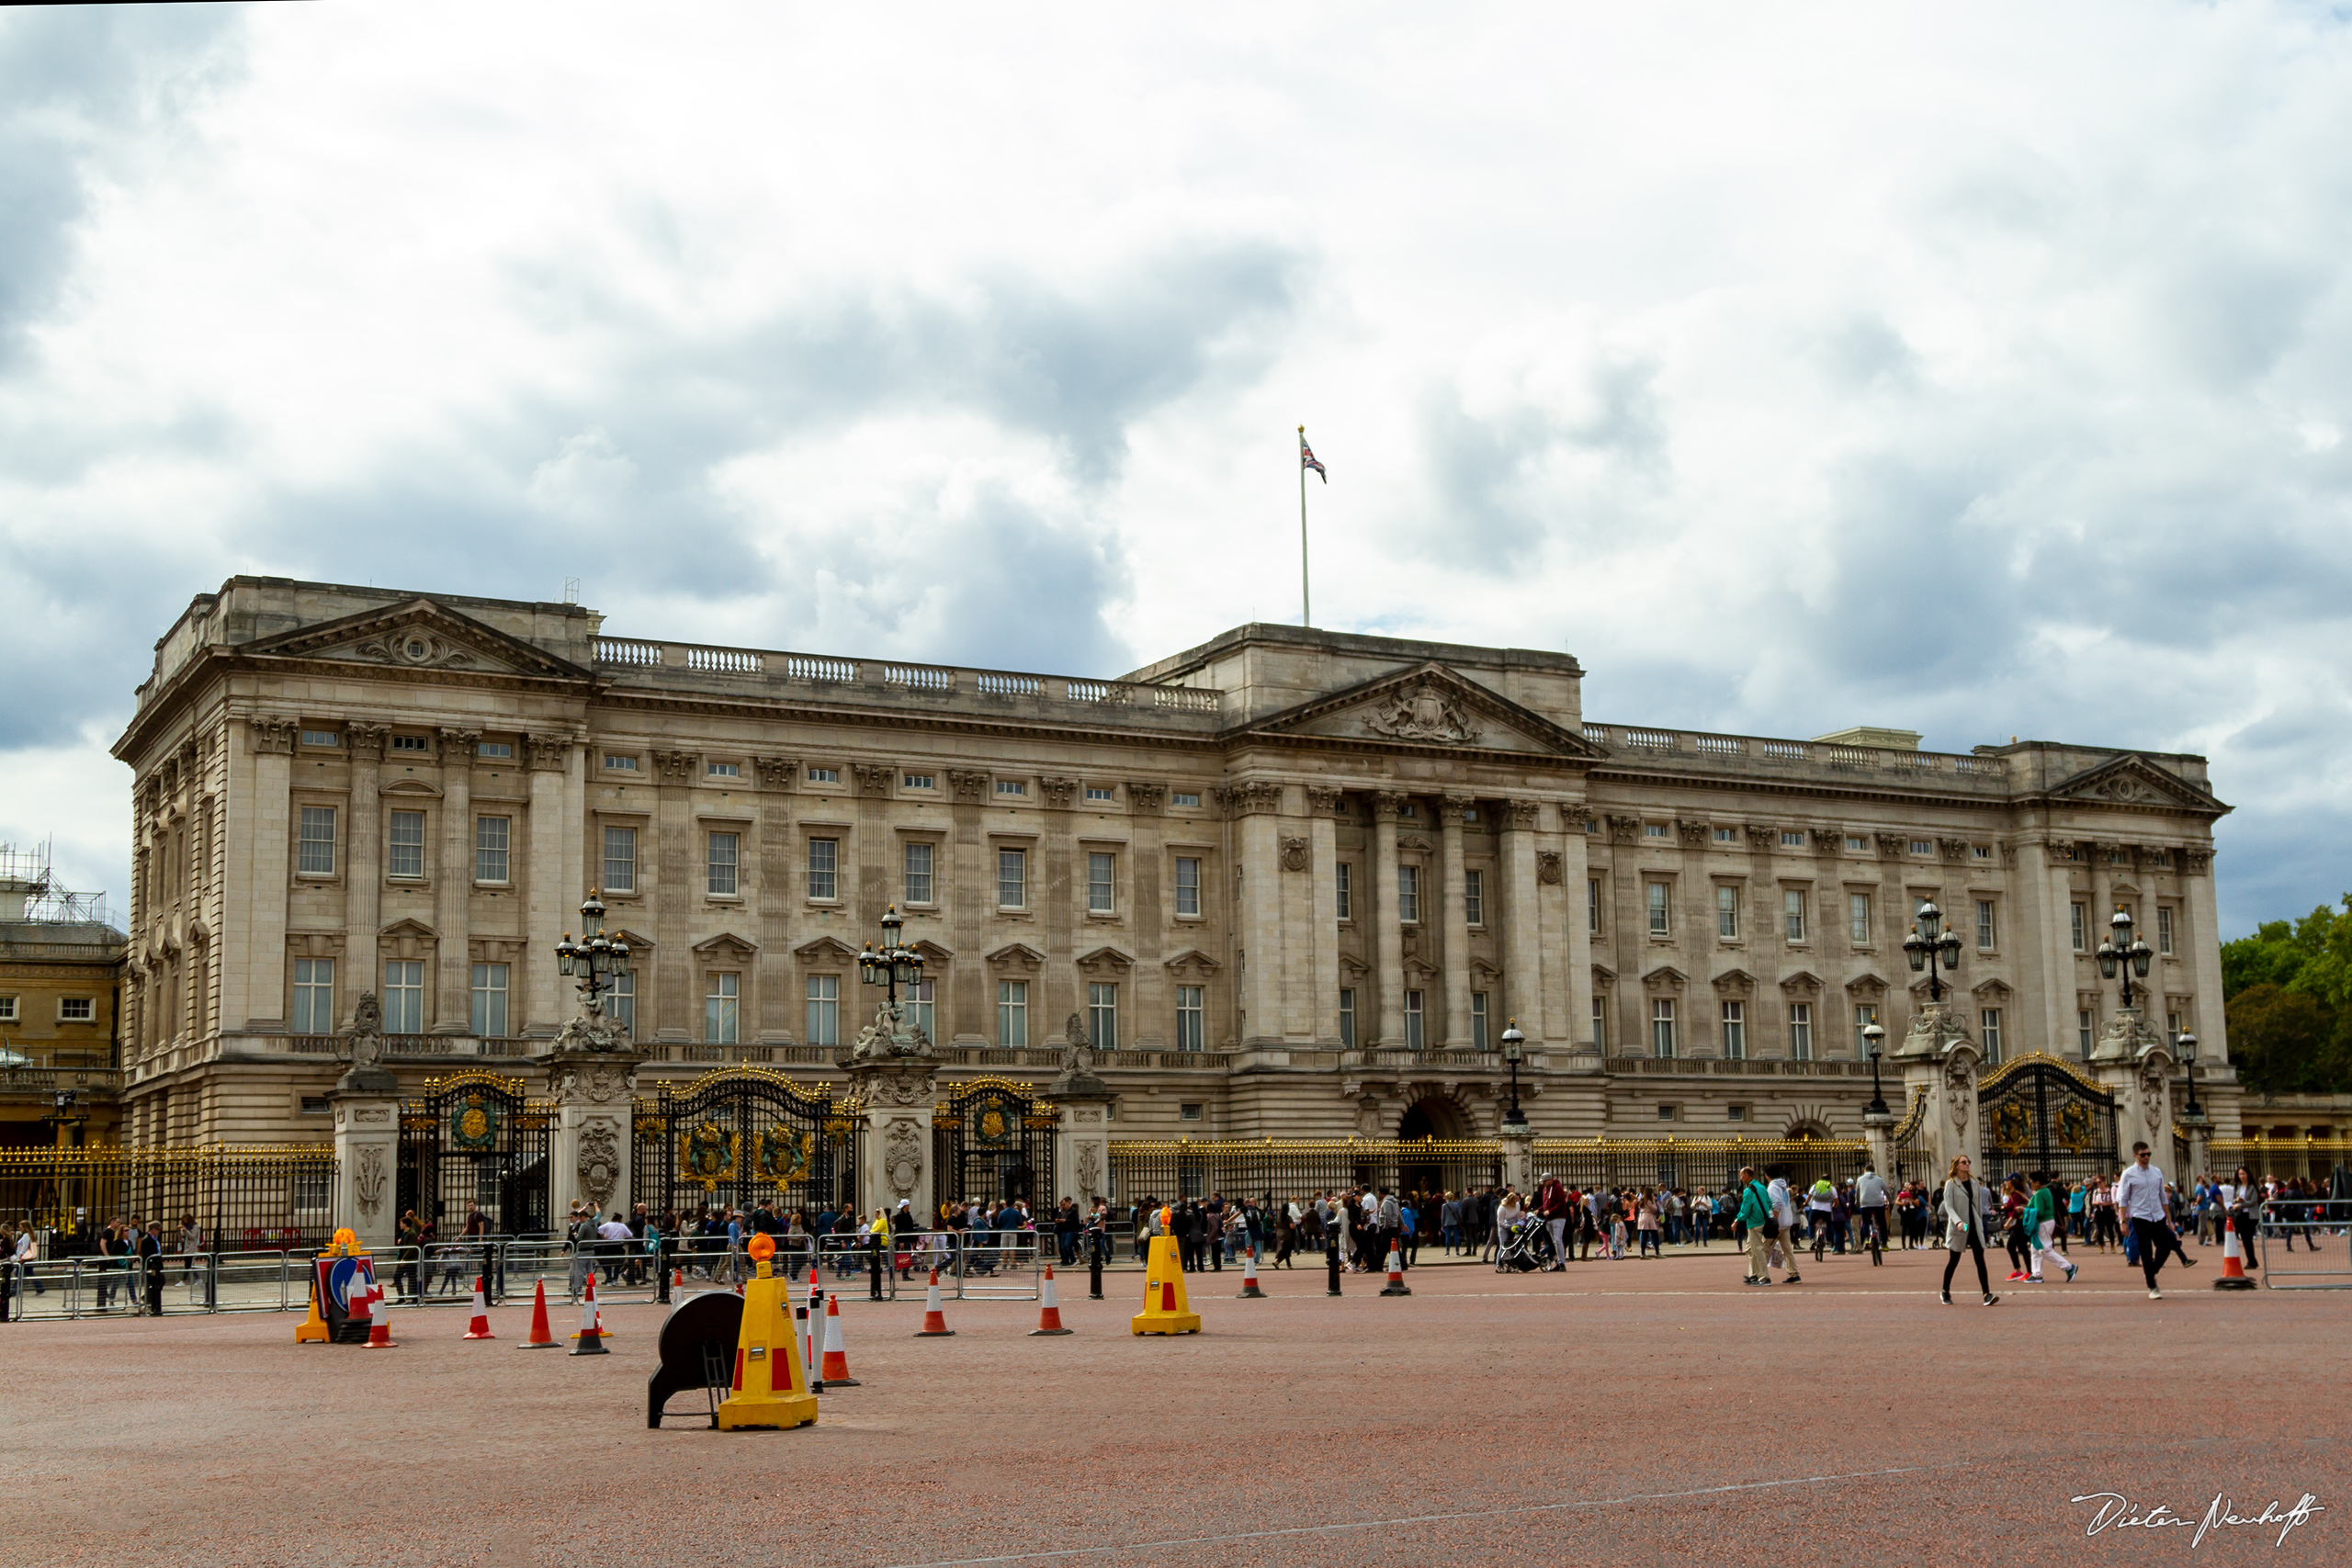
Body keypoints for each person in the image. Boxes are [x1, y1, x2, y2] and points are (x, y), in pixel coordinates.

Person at [2117, 1142, 2193, 1299]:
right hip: (2140, 1216)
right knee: (2146, 1251)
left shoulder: (2157, 1172)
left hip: (2158, 1215)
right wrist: (2122, 1221)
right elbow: (2123, 1199)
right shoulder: (2128, 1174)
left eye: (2148, 1154)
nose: (2146, 1157)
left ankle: (2152, 1272)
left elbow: (2162, 1197)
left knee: (2165, 1246)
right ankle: (2153, 1287)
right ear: (2135, 1156)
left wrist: (2169, 1219)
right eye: (2143, 1154)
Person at [1939, 1155, 1998, 1306]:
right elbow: (1949, 1206)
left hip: (1973, 1225)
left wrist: (1979, 1221)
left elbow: (1977, 1205)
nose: (1967, 1165)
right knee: (1954, 1260)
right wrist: (1958, 1221)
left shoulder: (1974, 1182)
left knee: (1980, 1259)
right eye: (1964, 1162)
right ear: (1957, 1166)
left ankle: (1987, 1294)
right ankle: (1945, 1291)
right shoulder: (1951, 1184)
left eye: (1968, 1162)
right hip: (1961, 1225)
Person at [2024, 1172, 2077, 1283]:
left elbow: (2039, 1212)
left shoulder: (2039, 1194)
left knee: (2044, 1249)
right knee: (2035, 1249)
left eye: (2032, 1182)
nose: (2030, 1184)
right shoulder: (2046, 1191)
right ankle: (2037, 1274)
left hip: (2043, 1223)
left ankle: (2068, 1267)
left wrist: (2024, 1210)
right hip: (2048, 1221)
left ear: (2038, 1182)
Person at [1736, 1167, 1780, 1285]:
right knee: (1750, 1249)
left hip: (1754, 1223)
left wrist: (1736, 1221)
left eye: (1741, 1175)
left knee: (1757, 1250)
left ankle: (1764, 1277)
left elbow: (1745, 1210)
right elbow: (1769, 1203)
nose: (1741, 1178)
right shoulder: (1761, 1187)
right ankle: (1754, 1274)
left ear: (1746, 1175)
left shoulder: (1748, 1190)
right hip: (1764, 1221)